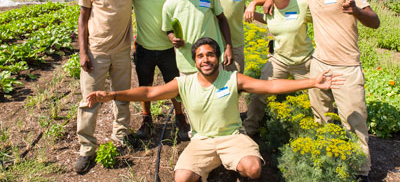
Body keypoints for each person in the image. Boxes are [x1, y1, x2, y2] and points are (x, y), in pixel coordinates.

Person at [85, 37, 344, 182]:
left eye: (210, 55)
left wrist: (312, 81)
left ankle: (235, 170)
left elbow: (272, 86)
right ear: (194, 60)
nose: (205, 60)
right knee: (182, 179)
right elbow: (149, 92)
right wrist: (110, 95)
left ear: (218, 57)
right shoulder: (183, 83)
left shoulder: (233, 79)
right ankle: (211, 166)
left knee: (253, 169)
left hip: (233, 138)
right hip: (201, 141)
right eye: (200, 56)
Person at [296, 0, 379, 181]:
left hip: (347, 67)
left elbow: (375, 22)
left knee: (354, 121)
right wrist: (259, 4)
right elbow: (286, 8)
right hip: (319, 65)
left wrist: (357, 11)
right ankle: (327, 161)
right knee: (321, 117)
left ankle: (360, 171)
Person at [75, 0, 142, 174]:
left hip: (122, 51)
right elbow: (83, 19)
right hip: (96, 51)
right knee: (90, 100)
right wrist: (83, 52)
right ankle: (87, 148)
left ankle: (120, 136)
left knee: (121, 96)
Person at [242, 0, 314, 137]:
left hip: (304, 61)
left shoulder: (301, 4)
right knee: (259, 92)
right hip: (279, 60)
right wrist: (250, 8)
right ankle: (249, 128)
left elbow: (321, 18)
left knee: (316, 95)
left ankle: (317, 132)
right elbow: (269, 20)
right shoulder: (271, 8)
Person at [130, 0, 190, 140]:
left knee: (173, 85)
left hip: (167, 48)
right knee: (144, 85)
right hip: (144, 48)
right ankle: (146, 119)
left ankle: (180, 117)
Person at [162, 0, 233, 75]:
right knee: (191, 94)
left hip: (212, 59)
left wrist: (228, 47)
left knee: (217, 92)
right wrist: (173, 39)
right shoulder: (169, 4)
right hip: (187, 63)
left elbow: (221, 19)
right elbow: (168, 30)